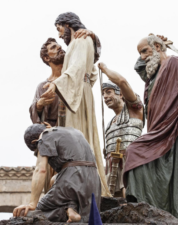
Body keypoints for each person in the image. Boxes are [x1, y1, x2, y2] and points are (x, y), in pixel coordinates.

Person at [123, 34, 178, 224]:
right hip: (155, 128)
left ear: (158, 47)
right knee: (139, 157)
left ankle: (166, 211)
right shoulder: (153, 73)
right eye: (140, 53)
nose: (142, 56)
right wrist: (151, 43)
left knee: (134, 151)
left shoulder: (175, 63)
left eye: (145, 51)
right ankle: (148, 207)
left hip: (170, 128)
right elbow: (140, 67)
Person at [40, 12, 110, 196]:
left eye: (59, 28)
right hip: (81, 91)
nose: (59, 33)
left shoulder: (79, 41)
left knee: (77, 136)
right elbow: (91, 72)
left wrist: (56, 84)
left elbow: (78, 68)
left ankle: (81, 183)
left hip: (78, 95)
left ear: (68, 24)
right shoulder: (81, 41)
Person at [29, 31, 101, 193]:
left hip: (77, 134)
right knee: (54, 186)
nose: (60, 48)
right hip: (55, 141)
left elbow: (92, 59)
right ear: (47, 58)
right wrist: (40, 105)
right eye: (54, 48)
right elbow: (34, 113)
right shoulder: (43, 86)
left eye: (60, 45)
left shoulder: (76, 78)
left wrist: (92, 36)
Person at [13, 124, 101, 223]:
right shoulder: (75, 131)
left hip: (72, 179)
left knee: (31, 213)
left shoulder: (45, 136)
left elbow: (40, 170)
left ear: (35, 142)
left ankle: (66, 210)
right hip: (94, 182)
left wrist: (32, 204)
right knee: (54, 179)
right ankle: (70, 208)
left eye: (37, 151)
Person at [98, 63, 144, 198]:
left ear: (121, 94)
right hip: (111, 169)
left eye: (108, 92)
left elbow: (122, 81)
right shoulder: (110, 123)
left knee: (128, 199)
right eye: (103, 94)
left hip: (129, 164)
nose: (105, 97)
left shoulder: (134, 110)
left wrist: (105, 70)